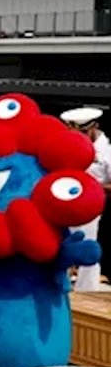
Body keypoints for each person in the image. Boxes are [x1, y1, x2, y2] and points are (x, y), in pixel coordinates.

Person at [60, 107, 111, 291]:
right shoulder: (70, 146)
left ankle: (87, 291)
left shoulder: (106, 151)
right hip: (65, 202)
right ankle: (61, 284)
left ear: (94, 127)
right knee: (62, 245)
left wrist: (90, 185)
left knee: (87, 247)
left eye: (82, 132)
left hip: (90, 204)